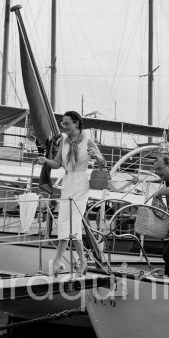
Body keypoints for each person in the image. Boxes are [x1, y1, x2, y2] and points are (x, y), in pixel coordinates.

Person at [37, 111, 106, 275]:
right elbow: (57, 163)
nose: (64, 126)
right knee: (64, 222)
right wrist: (45, 160)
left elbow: (104, 163)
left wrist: (96, 156)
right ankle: (80, 262)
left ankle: (57, 261)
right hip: (67, 183)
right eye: (63, 124)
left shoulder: (88, 141)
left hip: (81, 184)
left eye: (67, 123)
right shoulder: (64, 141)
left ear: (76, 123)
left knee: (73, 223)